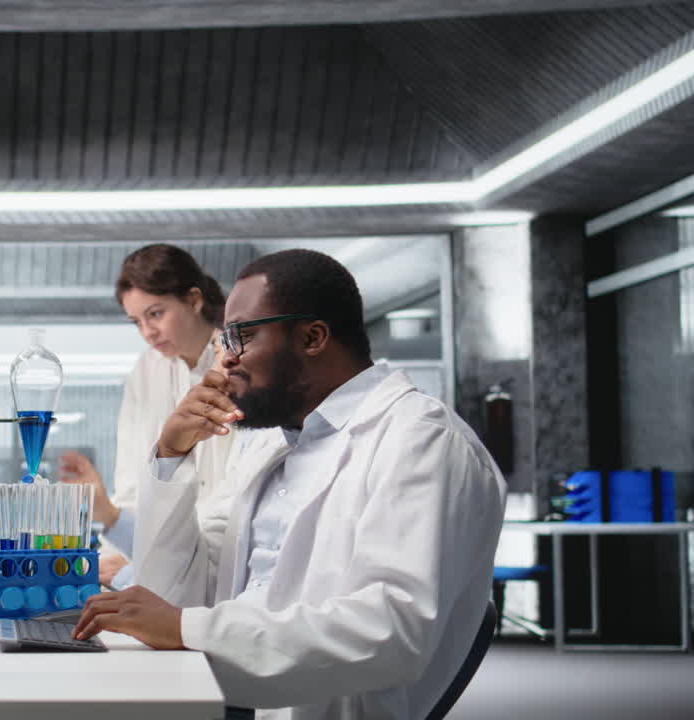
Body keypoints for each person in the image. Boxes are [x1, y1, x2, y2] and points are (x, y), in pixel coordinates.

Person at [72, 249, 507, 720]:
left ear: (313, 337)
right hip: (233, 699)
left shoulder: (420, 440)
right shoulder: (271, 446)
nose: (226, 359)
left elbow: (387, 632)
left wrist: (186, 629)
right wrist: (172, 457)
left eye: (242, 336)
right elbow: (178, 591)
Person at [59, 244, 243, 589]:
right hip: (155, 559)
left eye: (156, 314)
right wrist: (123, 552)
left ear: (193, 299)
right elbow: (134, 481)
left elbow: (231, 497)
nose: (147, 332)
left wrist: (144, 566)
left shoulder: (236, 364)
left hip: (220, 563)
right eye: (137, 322)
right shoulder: (145, 371)